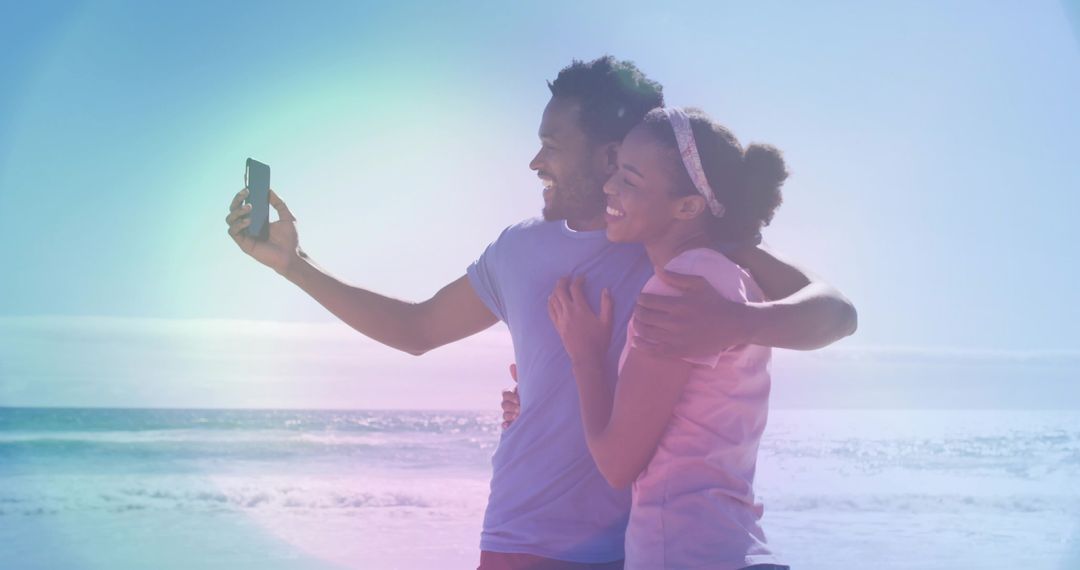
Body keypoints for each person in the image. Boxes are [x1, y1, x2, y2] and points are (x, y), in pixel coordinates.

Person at [224, 56, 856, 569]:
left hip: (648, 549)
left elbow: (833, 312)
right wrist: (294, 265)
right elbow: (416, 330)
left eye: (551, 144)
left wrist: (737, 323)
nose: (535, 163)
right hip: (529, 540)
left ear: (613, 157)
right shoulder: (520, 248)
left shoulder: (678, 244)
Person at [548, 106, 792, 569]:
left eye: (631, 180)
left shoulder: (680, 288)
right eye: (617, 170)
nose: (609, 187)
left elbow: (617, 464)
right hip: (740, 549)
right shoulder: (733, 280)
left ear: (688, 206)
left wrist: (584, 357)